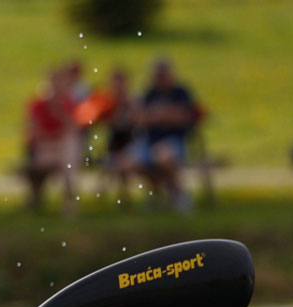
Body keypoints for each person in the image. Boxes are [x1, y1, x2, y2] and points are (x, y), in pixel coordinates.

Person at [138, 57, 202, 212]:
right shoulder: (150, 93)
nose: (160, 78)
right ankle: (160, 195)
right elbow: (140, 118)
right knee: (133, 161)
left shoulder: (180, 92)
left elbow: (183, 117)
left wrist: (157, 115)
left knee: (164, 156)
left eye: (163, 75)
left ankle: (178, 195)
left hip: (175, 142)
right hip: (150, 143)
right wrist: (165, 115)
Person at [75, 67, 139, 206]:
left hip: (131, 143)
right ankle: (114, 199)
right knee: (112, 162)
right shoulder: (107, 103)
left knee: (123, 163)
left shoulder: (133, 102)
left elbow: (138, 123)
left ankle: (123, 198)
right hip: (113, 144)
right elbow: (91, 119)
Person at [22, 66, 79, 213]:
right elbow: (33, 131)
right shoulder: (38, 105)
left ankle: (69, 201)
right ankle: (37, 201)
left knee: (68, 154)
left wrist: (58, 111)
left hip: (62, 148)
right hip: (45, 148)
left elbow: (73, 128)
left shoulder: (67, 104)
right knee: (40, 165)